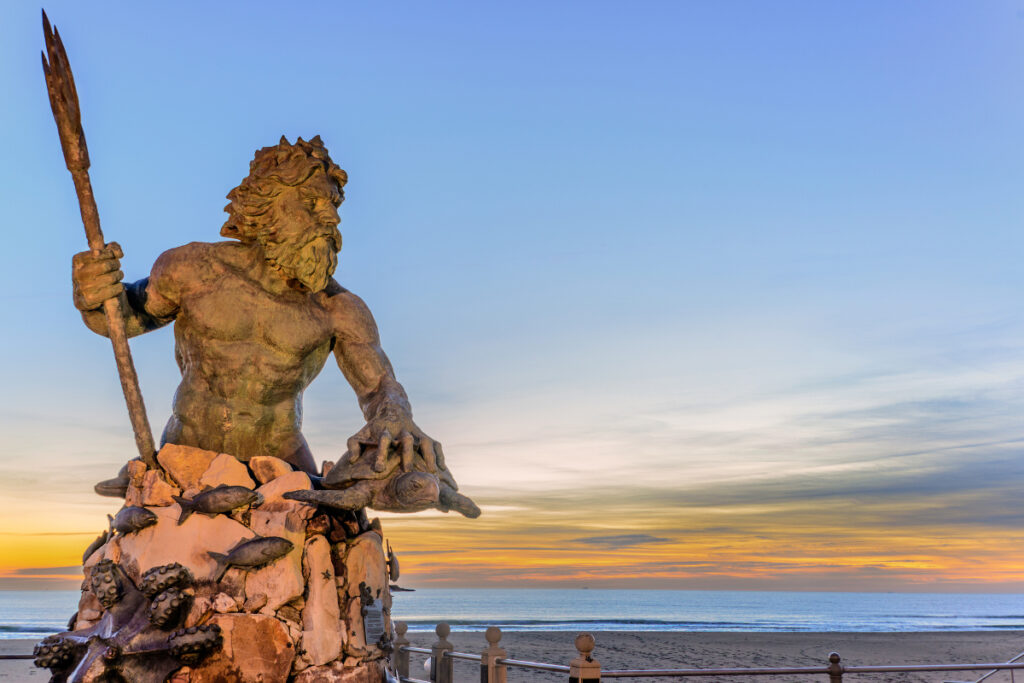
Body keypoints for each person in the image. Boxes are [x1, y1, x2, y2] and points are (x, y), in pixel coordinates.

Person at [72, 136, 465, 509]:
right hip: (186, 458)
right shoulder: (191, 269)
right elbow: (121, 320)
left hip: (285, 468)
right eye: (312, 203)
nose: (329, 218)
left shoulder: (338, 308)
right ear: (269, 204)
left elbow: (380, 387)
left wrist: (394, 414)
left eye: (333, 206)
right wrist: (93, 295)